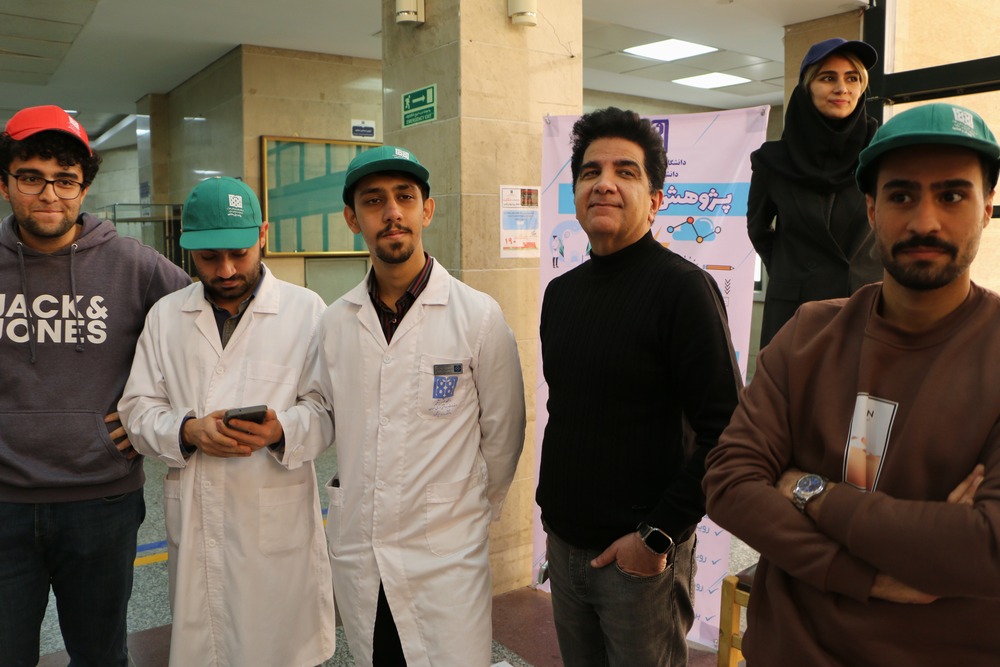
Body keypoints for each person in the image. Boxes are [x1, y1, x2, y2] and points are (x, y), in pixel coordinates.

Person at [703, 103, 1000, 665]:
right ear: (871, 209)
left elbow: (987, 546)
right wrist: (866, 575)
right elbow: (729, 482)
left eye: (952, 195)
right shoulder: (809, 334)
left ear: (987, 207)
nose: (925, 222)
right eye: (901, 195)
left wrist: (808, 491)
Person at [535, 107, 742, 666]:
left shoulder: (684, 291)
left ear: (654, 201)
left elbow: (727, 431)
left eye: (625, 171)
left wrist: (657, 537)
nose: (604, 183)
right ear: (576, 193)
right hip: (566, 547)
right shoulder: (562, 294)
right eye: (590, 172)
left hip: (640, 562)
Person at [304, 145, 525, 666]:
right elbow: (323, 412)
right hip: (362, 547)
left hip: (446, 554)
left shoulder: (478, 316)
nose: (391, 212)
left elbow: (504, 435)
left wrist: (462, 506)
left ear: (427, 210)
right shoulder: (335, 322)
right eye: (373, 201)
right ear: (352, 219)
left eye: (405, 197)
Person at [118, 177, 336, 666]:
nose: (226, 269)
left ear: (263, 234)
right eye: (209, 257)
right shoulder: (166, 317)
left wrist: (282, 429)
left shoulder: (306, 312)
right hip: (200, 514)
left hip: (276, 516)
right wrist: (185, 431)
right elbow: (136, 409)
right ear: (187, 248)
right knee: (208, 643)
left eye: (239, 253)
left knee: (280, 647)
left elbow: (327, 409)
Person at [0, 105, 189, 666]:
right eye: (31, 177)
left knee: (102, 656)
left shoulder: (135, 265)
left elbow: (206, 333)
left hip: (101, 502)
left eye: (65, 180)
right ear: (5, 183)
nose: (49, 194)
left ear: (83, 188)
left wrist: (153, 420)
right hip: (3, 504)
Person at [749, 38, 882, 347]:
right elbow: (758, 228)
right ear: (807, 87)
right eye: (828, 78)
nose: (842, 88)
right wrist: (790, 269)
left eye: (852, 78)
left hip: (865, 301)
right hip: (796, 306)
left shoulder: (878, 151)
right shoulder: (773, 160)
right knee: (792, 378)